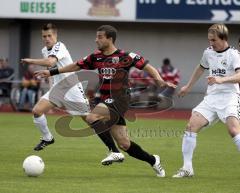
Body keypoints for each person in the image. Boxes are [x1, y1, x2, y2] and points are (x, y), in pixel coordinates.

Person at [35, 25, 177, 177]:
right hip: (106, 100)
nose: (96, 40)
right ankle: (153, 160)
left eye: (100, 37)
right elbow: (75, 66)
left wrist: (160, 81)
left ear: (110, 39)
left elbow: (148, 67)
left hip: (120, 99)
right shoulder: (96, 57)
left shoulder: (126, 56)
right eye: (96, 37)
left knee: (91, 117)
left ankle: (113, 151)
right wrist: (51, 72)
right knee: (125, 144)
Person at [21, 24, 123, 164]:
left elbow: (51, 62)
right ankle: (47, 138)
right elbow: (50, 69)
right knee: (37, 111)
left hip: (72, 89)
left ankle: (115, 151)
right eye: (44, 36)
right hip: (57, 89)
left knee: (90, 120)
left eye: (50, 35)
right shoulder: (45, 50)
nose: (47, 39)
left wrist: (30, 60)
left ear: (56, 35)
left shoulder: (59, 47)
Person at [172, 23, 240, 178]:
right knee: (191, 126)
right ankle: (187, 168)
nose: (211, 43)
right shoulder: (208, 52)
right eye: (209, 40)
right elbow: (200, 68)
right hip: (211, 98)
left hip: (230, 97)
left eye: (214, 40)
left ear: (223, 38)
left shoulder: (234, 55)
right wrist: (188, 86)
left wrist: (221, 80)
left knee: (234, 130)